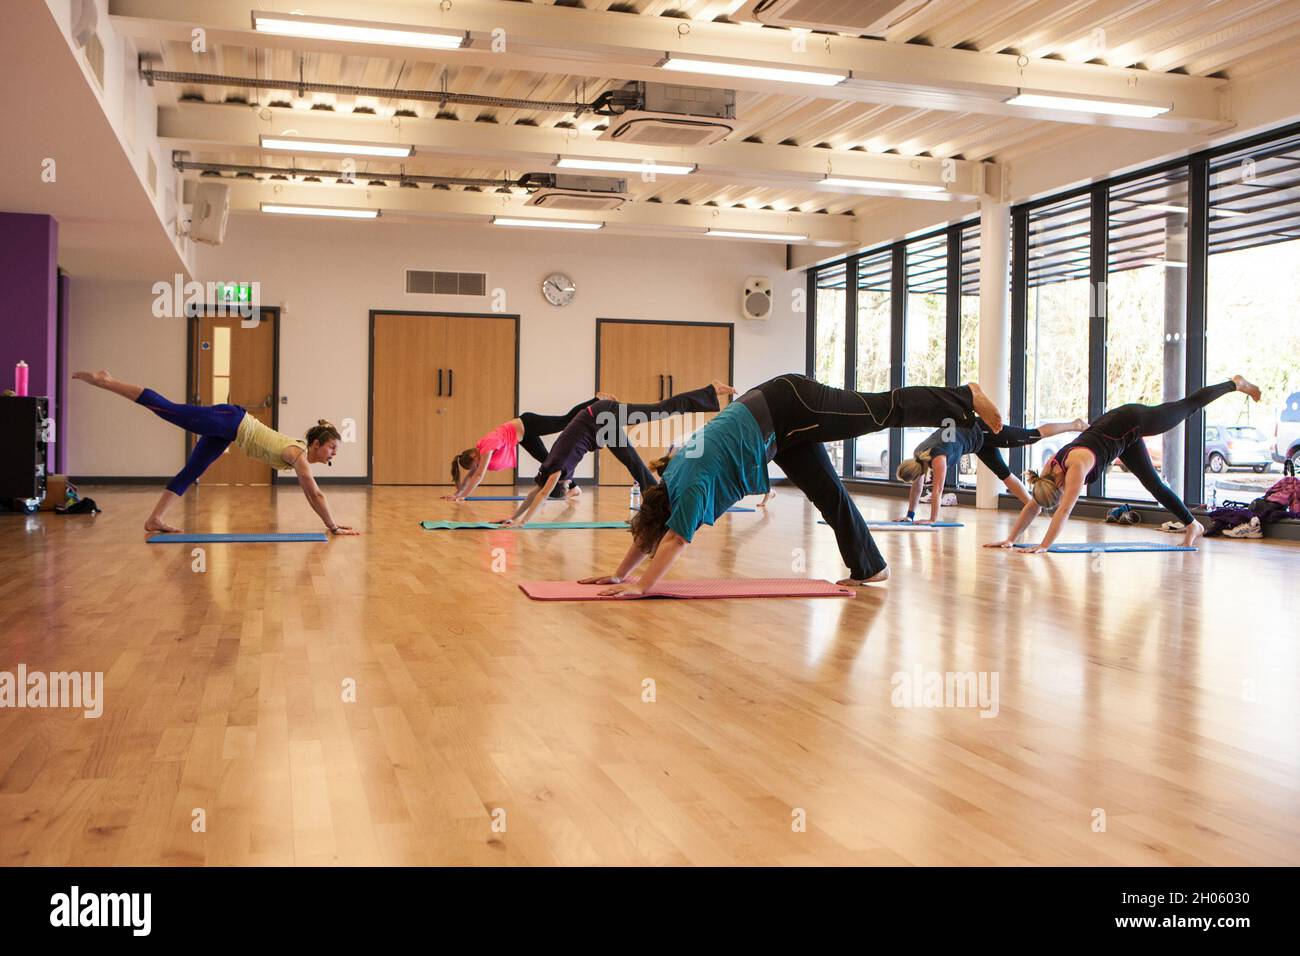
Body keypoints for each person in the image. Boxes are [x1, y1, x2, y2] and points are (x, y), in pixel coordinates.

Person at [580, 373, 1003, 594]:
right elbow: (653, 531)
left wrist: (640, 587)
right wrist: (620, 576)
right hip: (778, 433)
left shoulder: (687, 491)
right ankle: (869, 567)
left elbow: (673, 540)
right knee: (826, 492)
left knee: (878, 411)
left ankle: (963, 397)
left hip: (791, 405)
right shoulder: (668, 480)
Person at [986, 375, 1261, 553]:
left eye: (1056, 496)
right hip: (1120, 438)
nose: (1057, 498)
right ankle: (1193, 525)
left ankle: (1234, 384)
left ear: (1058, 485)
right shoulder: (1047, 473)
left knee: (1188, 405)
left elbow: (1064, 511)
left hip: (1134, 420)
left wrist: (1044, 545)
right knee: (1154, 485)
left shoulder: (1076, 468)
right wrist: (1011, 538)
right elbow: (1034, 503)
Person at [73, 370, 358, 535]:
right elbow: (314, 494)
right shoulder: (298, 455)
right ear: (317, 445)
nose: (334, 453)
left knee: (192, 471)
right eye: (332, 447)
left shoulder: (299, 453)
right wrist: (332, 526)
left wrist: (330, 525)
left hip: (227, 432)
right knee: (168, 409)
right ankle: (107, 381)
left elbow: (312, 495)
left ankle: (154, 520)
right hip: (230, 420)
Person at [496, 380, 735, 527]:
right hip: (597, 427)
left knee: (659, 411)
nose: (570, 482)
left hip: (601, 416)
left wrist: (522, 523)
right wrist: (514, 517)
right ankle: (662, 508)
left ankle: (710, 391)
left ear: (563, 482)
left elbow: (543, 493)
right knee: (634, 464)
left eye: (566, 484)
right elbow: (534, 493)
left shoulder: (557, 470)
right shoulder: (550, 468)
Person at [897, 417, 1085, 523]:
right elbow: (916, 488)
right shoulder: (918, 456)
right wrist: (910, 516)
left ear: (916, 471)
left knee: (1030, 436)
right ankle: (1032, 507)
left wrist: (932, 520)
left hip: (982, 430)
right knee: (1004, 474)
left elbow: (937, 491)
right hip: (976, 442)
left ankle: (1074, 425)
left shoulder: (938, 459)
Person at [445, 393, 617, 501]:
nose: (478, 466)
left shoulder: (486, 447)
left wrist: (464, 496)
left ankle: (597, 401)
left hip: (528, 424)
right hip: (523, 436)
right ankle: (574, 487)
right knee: (548, 461)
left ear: (474, 457)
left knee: (565, 421)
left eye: (475, 464)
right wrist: (457, 494)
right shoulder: (478, 450)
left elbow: (479, 475)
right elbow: (472, 474)